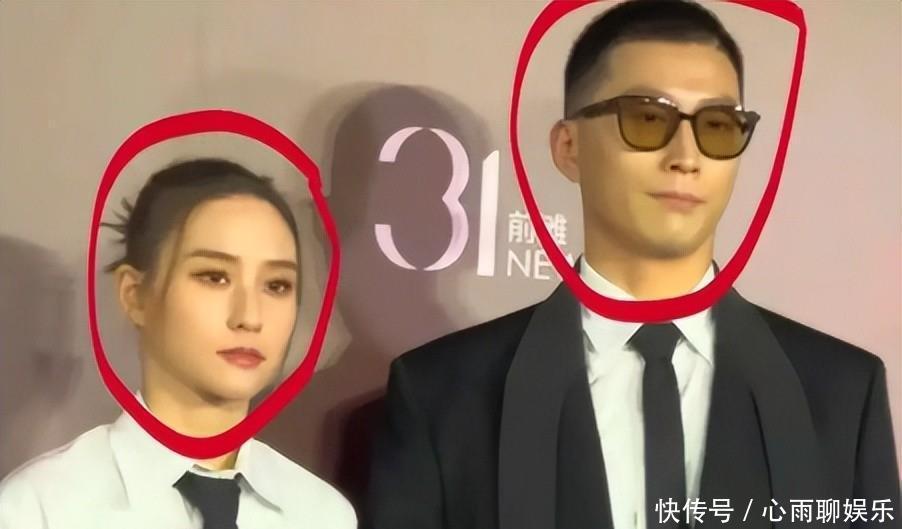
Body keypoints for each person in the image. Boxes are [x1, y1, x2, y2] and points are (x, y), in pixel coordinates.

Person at [363, 2, 900, 529]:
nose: (686, 156)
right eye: (648, 118)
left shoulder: (841, 394)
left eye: (717, 125)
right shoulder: (443, 396)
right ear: (569, 147)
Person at [0, 158, 357, 529]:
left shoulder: (322, 515)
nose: (250, 317)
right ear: (134, 294)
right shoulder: (39, 509)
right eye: (214, 277)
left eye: (277, 285)